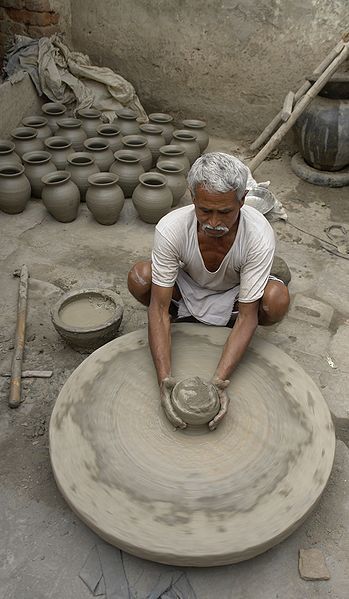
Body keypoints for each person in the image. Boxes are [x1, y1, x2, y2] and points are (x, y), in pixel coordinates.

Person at [128, 152, 290, 430]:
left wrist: (218, 384)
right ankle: (186, 316)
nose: (214, 222)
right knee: (141, 278)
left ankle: (223, 320)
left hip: (234, 296)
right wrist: (164, 382)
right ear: (192, 197)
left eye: (225, 212)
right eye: (205, 211)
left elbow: (249, 316)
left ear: (242, 200)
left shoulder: (258, 235)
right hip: (189, 288)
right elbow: (157, 307)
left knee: (275, 301)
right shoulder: (172, 228)